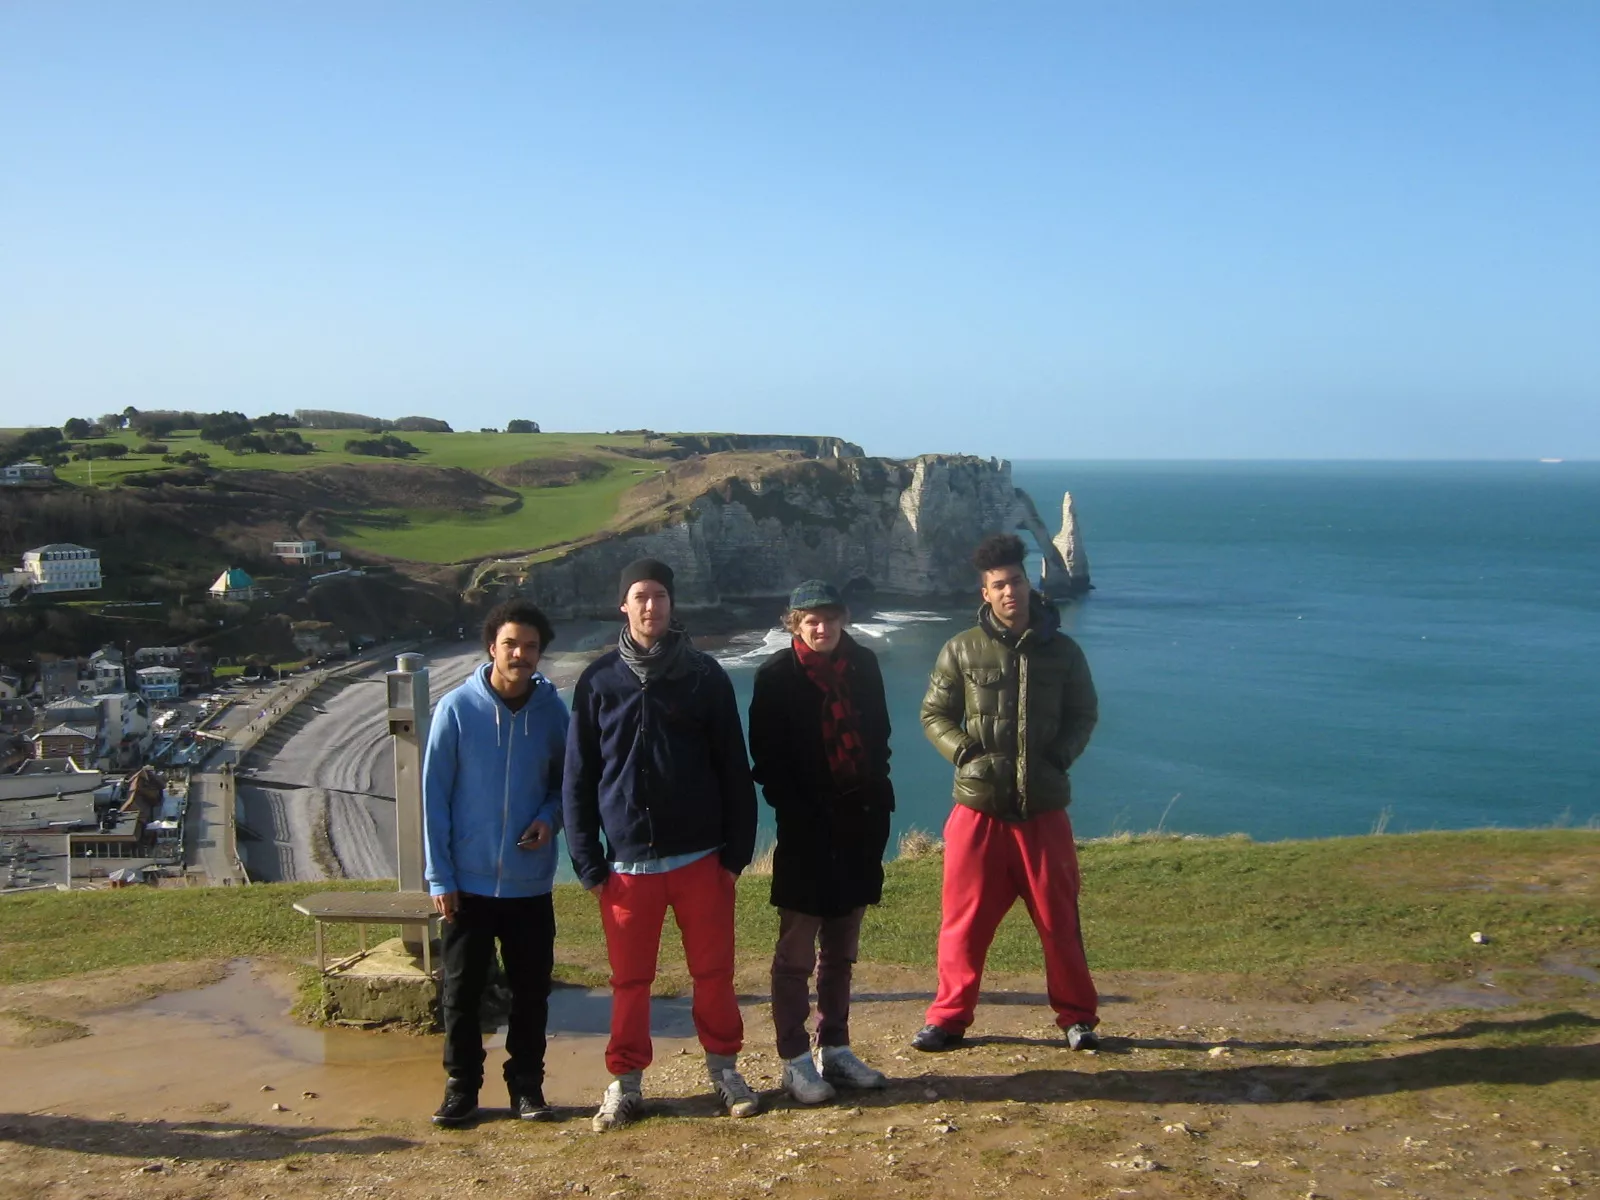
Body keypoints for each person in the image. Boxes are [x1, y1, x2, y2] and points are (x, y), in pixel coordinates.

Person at [564, 558, 761, 1131]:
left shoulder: (704, 675)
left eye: (660, 596)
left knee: (714, 973)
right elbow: (578, 777)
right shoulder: (598, 681)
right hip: (627, 867)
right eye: (640, 596)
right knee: (629, 982)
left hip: (702, 859)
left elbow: (734, 768)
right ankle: (625, 1083)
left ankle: (725, 1071)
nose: (651, 606)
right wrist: (587, 862)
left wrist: (736, 855)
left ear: (673, 605)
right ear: (624, 606)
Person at [914, 533, 1101, 1053]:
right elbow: (934, 714)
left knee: (1059, 919)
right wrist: (965, 754)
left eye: (1015, 581)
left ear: (1028, 583)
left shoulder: (1064, 652)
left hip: (1044, 808)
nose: (1009, 592)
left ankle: (1077, 1018)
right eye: (998, 585)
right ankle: (948, 1018)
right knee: (963, 921)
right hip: (978, 808)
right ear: (986, 592)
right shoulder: (961, 648)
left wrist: (1058, 758)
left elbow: (1083, 714)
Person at [748, 580, 895, 1105]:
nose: (821, 627)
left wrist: (873, 796)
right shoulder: (775, 676)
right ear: (795, 623)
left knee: (841, 950)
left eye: (830, 618)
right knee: (795, 953)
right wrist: (800, 807)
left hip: (858, 825)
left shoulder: (864, 665)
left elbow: (879, 739)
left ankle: (835, 1048)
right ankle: (793, 1059)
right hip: (807, 832)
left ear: (842, 619)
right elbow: (766, 760)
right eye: (811, 619)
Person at [423, 599, 569, 1126]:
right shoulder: (456, 709)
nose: (520, 655)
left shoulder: (553, 713)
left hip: (530, 883)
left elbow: (565, 784)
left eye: (530, 647)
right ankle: (461, 1088)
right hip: (467, 883)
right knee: (461, 991)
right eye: (511, 644)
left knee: (532, 992)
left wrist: (549, 818)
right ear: (492, 647)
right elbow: (434, 796)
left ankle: (526, 1086)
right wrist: (440, 875)